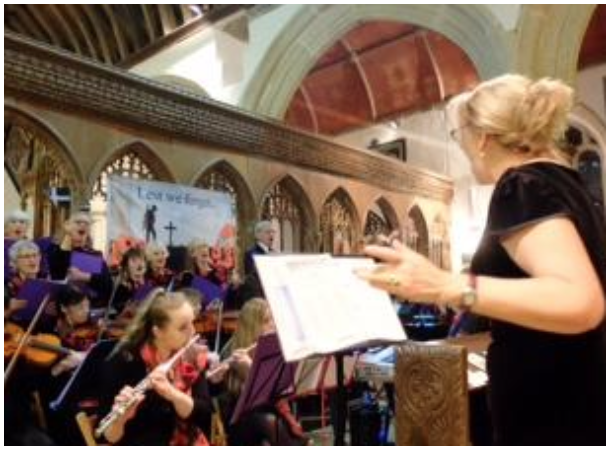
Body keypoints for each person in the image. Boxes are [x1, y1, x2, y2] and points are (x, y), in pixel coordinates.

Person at [357, 74, 605, 445]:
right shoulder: (565, 182)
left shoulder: (520, 185)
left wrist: (448, 285)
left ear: (483, 138)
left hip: (553, 409)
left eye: (459, 135)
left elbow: (581, 302)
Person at [96, 289, 213, 445]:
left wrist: (173, 394)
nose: (193, 331)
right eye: (182, 327)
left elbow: (204, 416)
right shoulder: (123, 362)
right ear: (157, 332)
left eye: (192, 322)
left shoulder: (192, 357)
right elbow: (109, 437)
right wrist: (121, 418)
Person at [217, 297, 309, 446]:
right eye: (267, 321)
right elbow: (237, 403)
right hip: (242, 421)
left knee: (276, 423)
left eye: (274, 319)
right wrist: (248, 369)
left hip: (269, 411)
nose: (273, 325)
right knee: (268, 421)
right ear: (252, 325)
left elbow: (277, 394)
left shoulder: (272, 348)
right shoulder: (231, 351)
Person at [46, 212, 113, 308]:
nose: (82, 225)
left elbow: (108, 284)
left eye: (86, 223)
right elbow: (57, 272)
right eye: (78, 222)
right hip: (63, 306)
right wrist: (68, 236)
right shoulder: (54, 249)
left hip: (91, 305)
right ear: (68, 226)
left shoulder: (94, 254)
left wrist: (86, 277)